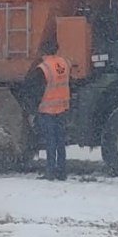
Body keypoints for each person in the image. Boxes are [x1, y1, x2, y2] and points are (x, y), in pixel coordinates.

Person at [21, 38, 71, 181]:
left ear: (44, 51)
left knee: (50, 142)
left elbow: (37, 91)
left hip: (48, 110)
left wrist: (33, 109)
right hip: (62, 108)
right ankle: (61, 172)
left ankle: (50, 171)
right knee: (60, 141)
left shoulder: (43, 68)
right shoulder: (64, 63)